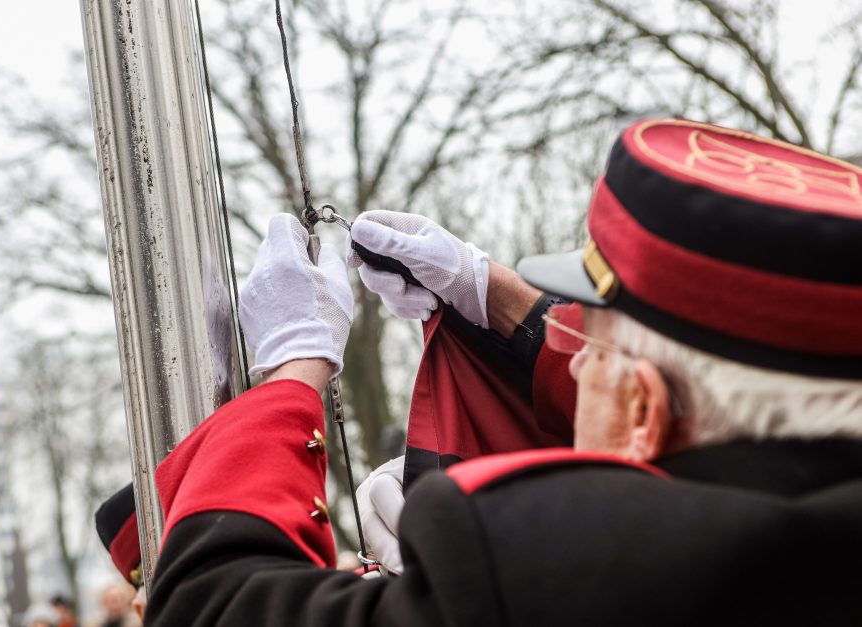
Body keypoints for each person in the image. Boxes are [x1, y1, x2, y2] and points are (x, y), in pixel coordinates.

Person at [144, 119, 862, 625]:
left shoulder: (556, 574)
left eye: (591, 345)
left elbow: (209, 606)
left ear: (644, 410)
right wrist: (494, 295)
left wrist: (290, 374)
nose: (570, 351)